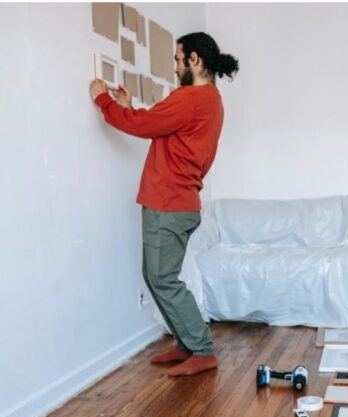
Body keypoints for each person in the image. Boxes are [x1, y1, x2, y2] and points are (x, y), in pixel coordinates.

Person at [89, 32, 239, 377]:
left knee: (163, 279)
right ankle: (188, 343)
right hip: (180, 202)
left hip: (168, 203)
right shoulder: (211, 100)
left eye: (177, 59)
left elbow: (143, 126)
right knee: (156, 276)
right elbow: (162, 127)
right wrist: (129, 109)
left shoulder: (191, 97)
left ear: (194, 60)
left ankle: (201, 348)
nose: (174, 67)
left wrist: (103, 101)